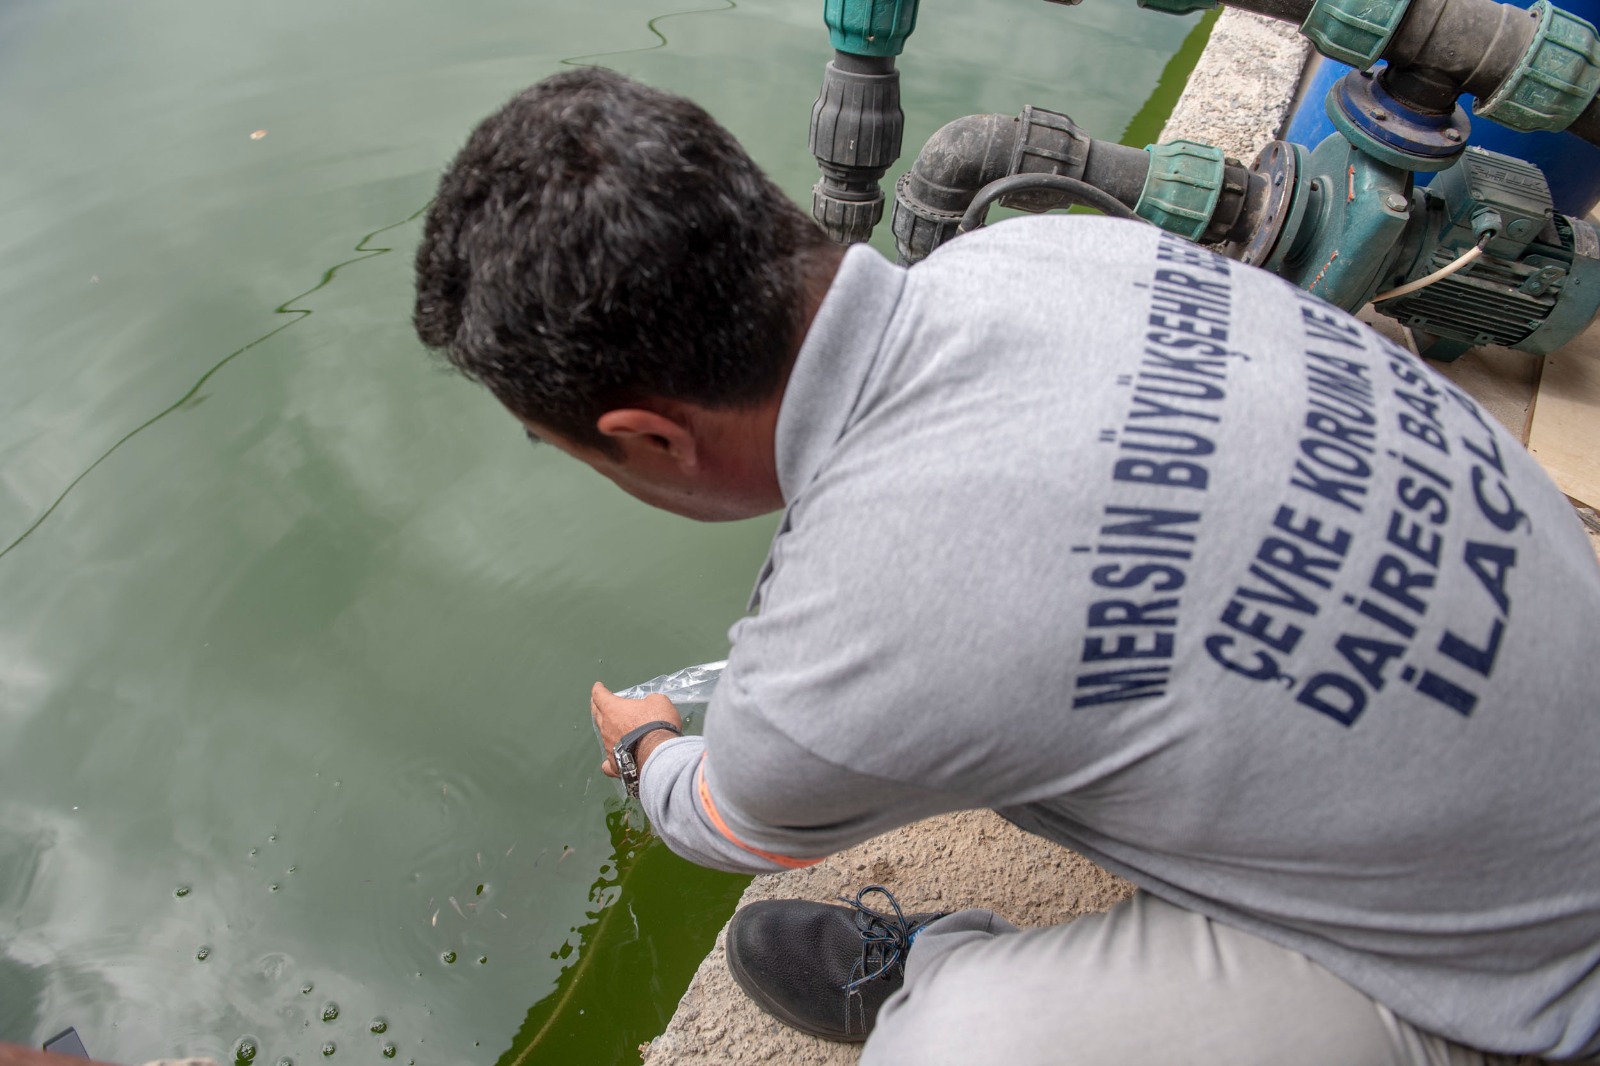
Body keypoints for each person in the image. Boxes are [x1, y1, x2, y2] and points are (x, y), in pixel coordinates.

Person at [413, 67, 1600, 1064]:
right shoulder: (1044, 249)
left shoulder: (858, 620)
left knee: (953, 1049)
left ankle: (943, 971)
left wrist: (645, 750)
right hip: (1545, 663)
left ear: (649, 440)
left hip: (1540, 970)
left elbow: (730, 816)